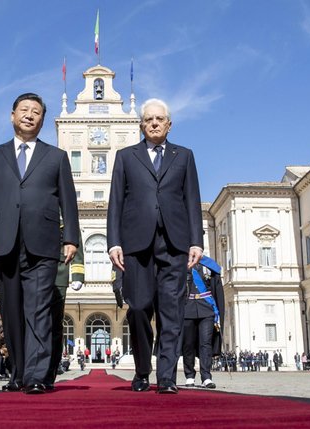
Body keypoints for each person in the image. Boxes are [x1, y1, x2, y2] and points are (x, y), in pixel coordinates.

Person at [0, 93, 79, 395]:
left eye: (36, 112)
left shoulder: (56, 157)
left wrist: (71, 238)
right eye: (24, 110)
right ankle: (17, 373)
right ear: (12, 116)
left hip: (44, 244)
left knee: (39, 309)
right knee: (12, 311)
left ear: (42, 120)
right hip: (5, 242)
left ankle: (36, 375)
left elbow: (68, 201)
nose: (29, 115)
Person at [107, 98, 203, 394]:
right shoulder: (126, 156)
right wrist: (114, 243)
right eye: (148, 119)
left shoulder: (184, 156)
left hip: (174, 244)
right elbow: (116, 203)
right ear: (141, 125)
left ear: (169, 124)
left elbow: (191, 200)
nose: (154, 123)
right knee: (137, 309)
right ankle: (141, 370)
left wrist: (196, 241)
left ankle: (166, 378)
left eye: (159, 119)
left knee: (172, 312)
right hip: (137, 245)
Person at [47, 224, 84, 389]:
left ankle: (50, 371)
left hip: (59, 271)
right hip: (31, 269)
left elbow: (74, 235)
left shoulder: (63, 203)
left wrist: (77, 273)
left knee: (55, 324)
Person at [181, 255, 224, 389]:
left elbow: (217, 289)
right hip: (188, 308)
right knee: (188, 344)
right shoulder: (182, 263)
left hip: (207, 309)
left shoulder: (209, 264)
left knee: (205, 343)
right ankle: (189, 375)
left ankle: (206, 376)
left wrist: (219, 313)